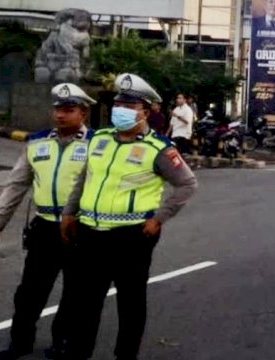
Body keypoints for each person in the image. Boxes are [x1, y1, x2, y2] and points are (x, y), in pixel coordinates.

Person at [60, 73, 198, 360]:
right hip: (90, 233)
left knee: (130, 303)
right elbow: (85, 178)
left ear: (145, 112)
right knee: (85, 302)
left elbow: (187, 184)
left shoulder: (159, 148)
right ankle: (77, 353)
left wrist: (159, 218)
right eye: (118, 103)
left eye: (129, 105)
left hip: (132, 236)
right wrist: (69, 213)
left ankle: (125, 355)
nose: (119, 110)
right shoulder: (99, 139)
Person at [0, 83, 96, 360]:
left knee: (75, 293)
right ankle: (20, 342)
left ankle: (62, 342)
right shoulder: (37, 142)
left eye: (68, 110)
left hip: (80, 229)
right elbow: (16, 185)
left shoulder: (97, 145)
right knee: (29, 292)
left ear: (83, 113)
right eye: (58, 109)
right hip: (44, 227)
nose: (60, 115)